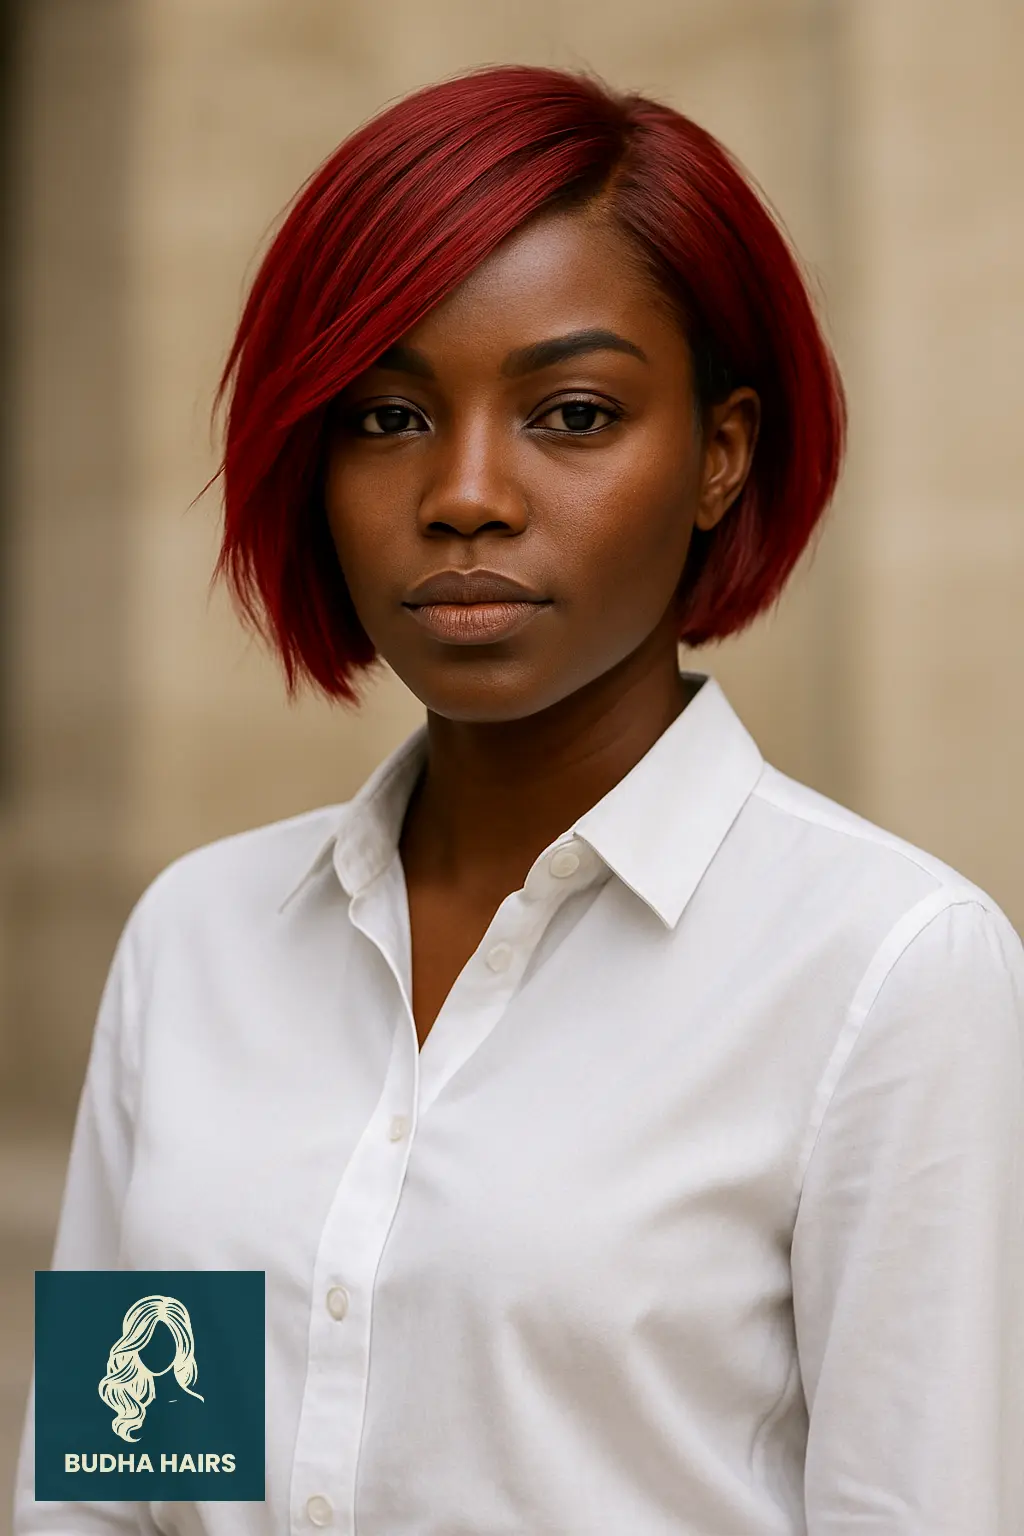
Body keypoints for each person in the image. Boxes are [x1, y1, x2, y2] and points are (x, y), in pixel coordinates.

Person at [14, 61, 1024, 1535]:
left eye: (570, 412)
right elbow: (122, 1482)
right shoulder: (202, 942)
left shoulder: (888, 972)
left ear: (719, 456)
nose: (468, 492)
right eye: (384, 417)